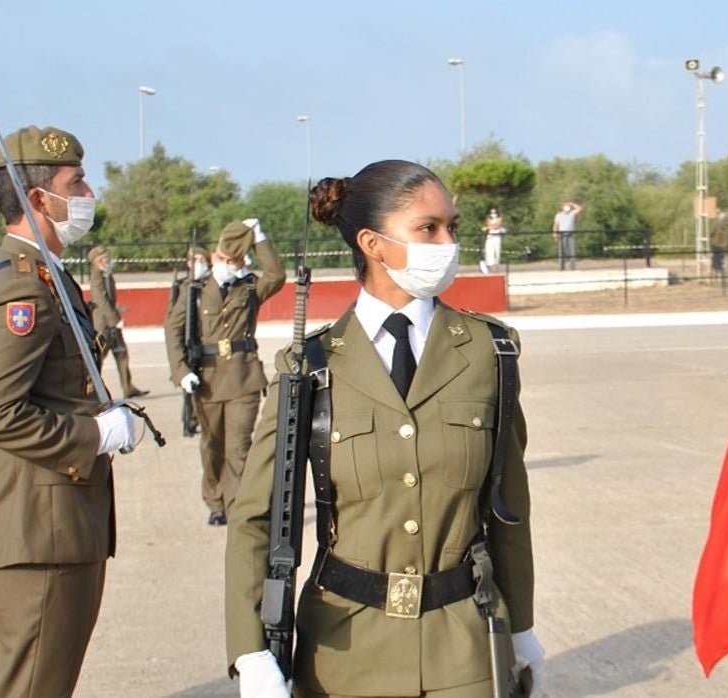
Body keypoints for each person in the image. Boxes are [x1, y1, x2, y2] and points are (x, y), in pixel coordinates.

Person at [225, 160, 544, 698]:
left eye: (452, 227)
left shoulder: (490, 353)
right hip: (343, 653)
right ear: (373, 244)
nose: (447, 242)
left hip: (463, 646)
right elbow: (257, 516)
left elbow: (509, 509)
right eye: (428, 228)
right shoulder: (311, 366)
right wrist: (250, 649)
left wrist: (523, 626)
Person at [0, 125, 137, 697]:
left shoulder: (47, 277)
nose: (87, 191)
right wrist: (95, 436)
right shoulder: (23, 289)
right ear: (38, 199)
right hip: (41, 527)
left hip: (59, 523)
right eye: (75, 181)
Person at [165, 219, 285, 525]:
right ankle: (215, 500)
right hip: (205, 379)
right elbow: (173, 330)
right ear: (215, 257)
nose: (230, 265)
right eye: (224, 258)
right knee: (212, 445)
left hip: (243, 377)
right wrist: (181, 372)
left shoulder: (249, 288)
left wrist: (260, 239)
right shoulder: (193, 290)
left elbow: (277, 274)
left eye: (236, 259)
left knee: (239, 447)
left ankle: (238, 507)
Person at [88, 245, 148, 399]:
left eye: (107, 257)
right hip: (103, 322)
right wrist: (115, 320)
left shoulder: (106, 274)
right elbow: (101, 300)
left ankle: (128, 388)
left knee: (121, 353)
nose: (108, 260)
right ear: (97, 261)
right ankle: (92, 390)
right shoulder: (97, 275)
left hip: (112, 321)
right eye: (104, 258)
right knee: (99, 356)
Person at [166, 246, 211, 438]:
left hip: (205, 345)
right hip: (187, 343)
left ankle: (195, 418)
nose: (197, 264)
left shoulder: (212, 285)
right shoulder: (182, 287)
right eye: (193, 260)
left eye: (201, 259)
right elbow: (171, 322)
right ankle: (189, 419)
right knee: (189, 388)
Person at [552, 200, 582, 270]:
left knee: (572, 251)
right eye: (565, 206)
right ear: (562, 207)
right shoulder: (558, 215)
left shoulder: (572, 213)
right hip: (562, 234)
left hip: (571, 234)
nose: (566, 207)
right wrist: (555, 234)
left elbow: (579, 208)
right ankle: (561, 267)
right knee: (561, 252)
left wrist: (572, 204)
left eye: (567, 206)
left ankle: (573, 267)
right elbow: (555, 225)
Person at [480, 206, 507, 274]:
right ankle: (489, 266)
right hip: (490, 235)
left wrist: (490, 227)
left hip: (497, 236)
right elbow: (489, 225)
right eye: (492, 212)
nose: (493, 214)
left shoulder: (499, 218)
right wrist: (489, 227)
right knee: (489, 250)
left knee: (496, 251)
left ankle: (496, 267)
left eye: (494, 212)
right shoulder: (489, 218)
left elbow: (497, 225)